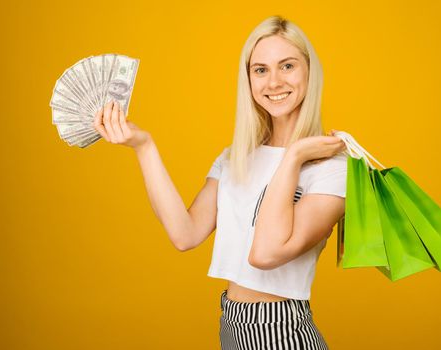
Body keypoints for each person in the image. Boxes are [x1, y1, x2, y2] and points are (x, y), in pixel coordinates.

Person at [93, 15, 347, 350]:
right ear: (249, 79)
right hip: (231, 324)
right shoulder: (236, 157)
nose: (273, 81)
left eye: (287, 66)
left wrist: (294, 156)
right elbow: (185, 234)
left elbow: (266, 254)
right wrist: (144, 146)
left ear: (309, 72)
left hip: (283, 331)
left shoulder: (332, 169)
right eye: (260, 70)